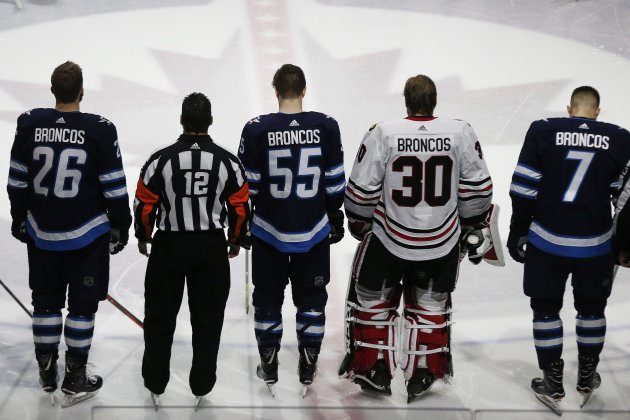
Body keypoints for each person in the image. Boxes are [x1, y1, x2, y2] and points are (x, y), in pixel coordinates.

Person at [339, 74, 498, 403]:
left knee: (370, 300)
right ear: (434, 101)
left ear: (406, 101)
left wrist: (360, 222)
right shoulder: (460, 131)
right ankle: (425, 369)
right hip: (441, 243)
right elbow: (479, 189)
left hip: (388, 240)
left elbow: (358, 193)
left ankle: (374, 367)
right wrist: (469, 222)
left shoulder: (383, 132)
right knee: (430, 306)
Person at [7, 61, 131, 407]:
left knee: (45, 302)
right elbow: (114, 188)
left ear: (52, 90)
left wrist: (20, 217)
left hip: (42, 233)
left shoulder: (30, 122)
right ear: (82, 91)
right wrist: (121, 225)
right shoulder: (100, 129)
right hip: (86, 237)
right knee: (81, 307)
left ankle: (47, 371)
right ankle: (75, 376)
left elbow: (17, 180)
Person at [507, 86, 630, 412]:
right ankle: (586, 376)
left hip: (547, 241)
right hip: (595, 245)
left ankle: (552, 380)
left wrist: (518, 229)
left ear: (569, 108)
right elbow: (625, 198)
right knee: (592, 311)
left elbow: (523, 186)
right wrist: (624, 243)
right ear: (597, 111)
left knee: (545, 309)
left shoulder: (543, 130)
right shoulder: (619, 138)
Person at [133, 92, 250, 408]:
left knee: (159, 319)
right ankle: (202, 384)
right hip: (210, 248)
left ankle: (156, 381)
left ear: (181, 120)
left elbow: (145, 203)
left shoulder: (160, 160)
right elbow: (240, 206)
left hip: (168, 247)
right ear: (210, 121)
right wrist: (235, 239)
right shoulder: (228, 162)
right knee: (208, 320)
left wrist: (144, 235)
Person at [237, 64, 345, 395]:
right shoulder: (325, 126)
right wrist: (334, 215)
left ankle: (269, 362)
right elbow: (335, 181)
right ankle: (308, 363)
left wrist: (242, 222)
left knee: (267, 299)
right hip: (313, 233)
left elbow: (247, 188)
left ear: (275, 90)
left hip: (269, 232)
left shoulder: (256, 129)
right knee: (312, 300)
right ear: (304, 89)